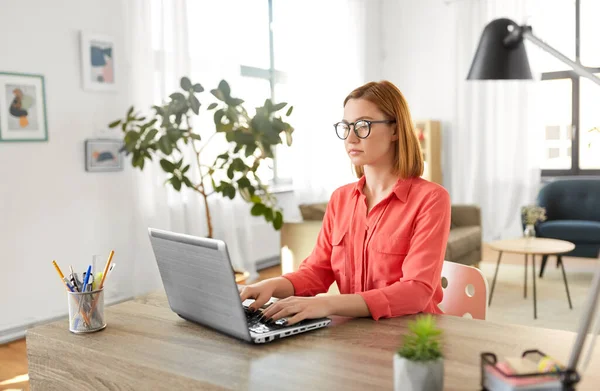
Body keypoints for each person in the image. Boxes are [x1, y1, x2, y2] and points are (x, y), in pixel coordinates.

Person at [239, 80, 451, 326]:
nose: (350, 138)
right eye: (346, 126)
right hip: (353, 333)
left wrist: (326, 303)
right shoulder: (340, 199)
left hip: (413, 338)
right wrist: (272, 284)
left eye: (363, 126)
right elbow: (317, 271)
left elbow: (416, 292)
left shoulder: (431, 199)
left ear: (395, 130)